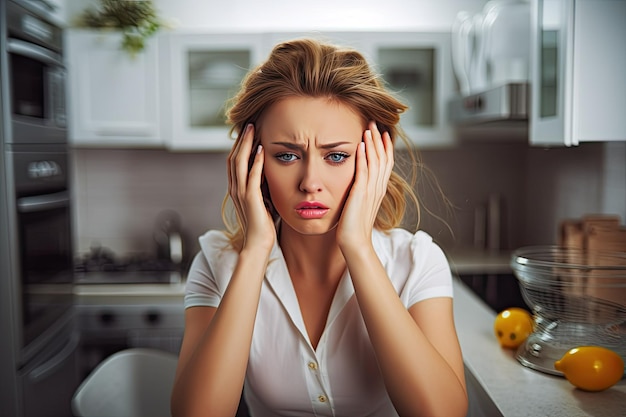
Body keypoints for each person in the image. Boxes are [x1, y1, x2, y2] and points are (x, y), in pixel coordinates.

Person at [171, 38, 468, 417]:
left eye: (337, 156)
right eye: (287, 155)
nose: (310, 181)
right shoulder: (218, 263)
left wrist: (358, 248)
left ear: (375, 160)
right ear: (250, 162)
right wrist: (256, 249)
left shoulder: (418, 261)